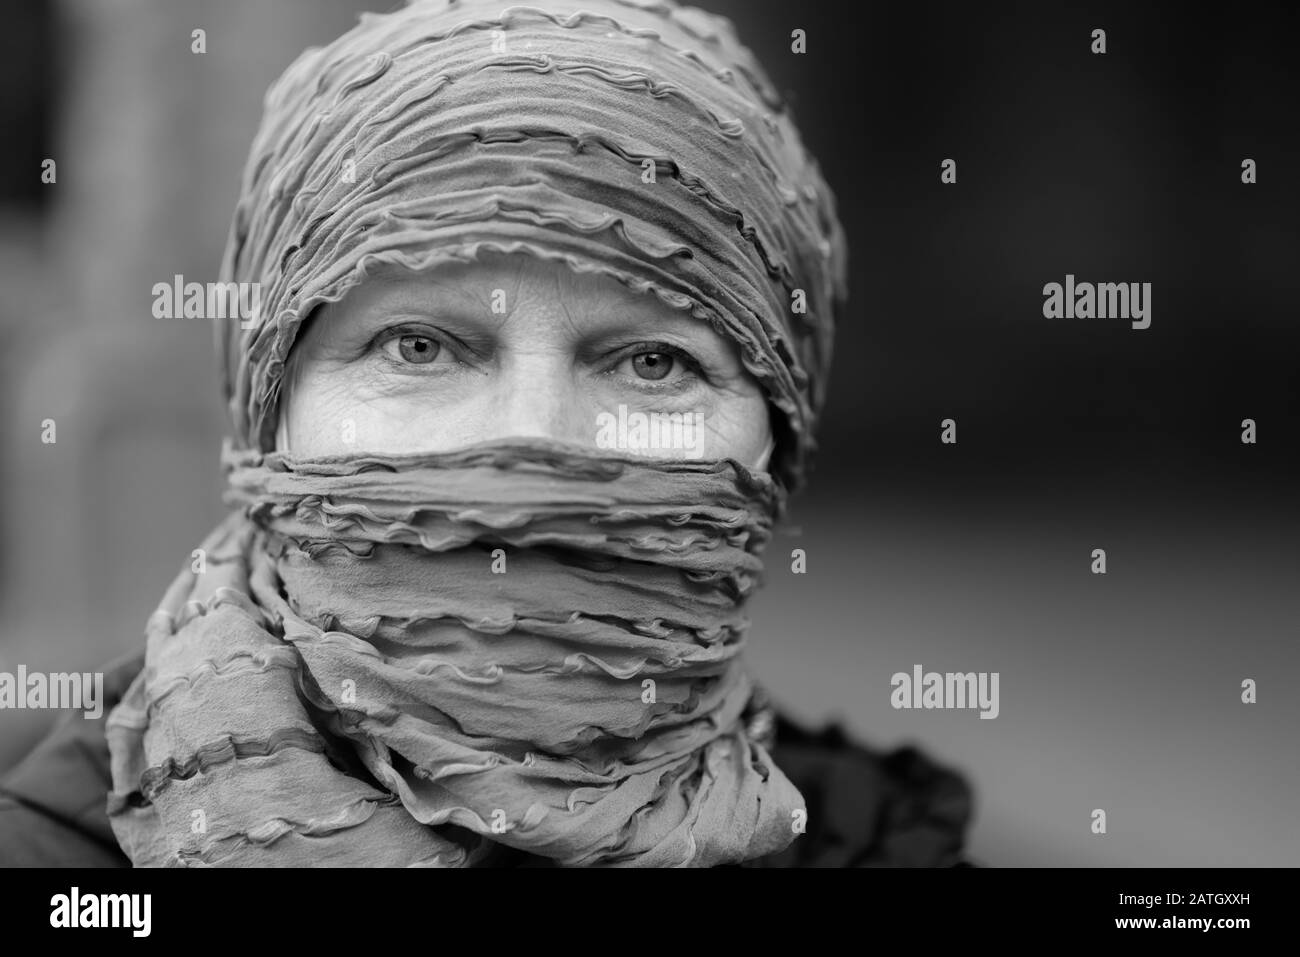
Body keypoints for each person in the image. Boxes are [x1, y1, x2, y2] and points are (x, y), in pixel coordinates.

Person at [0, 0, 974, 866]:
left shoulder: (878, 841)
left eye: (652, 363)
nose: (534, 446)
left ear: (777, 445)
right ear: (268, 409)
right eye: (418, 345)